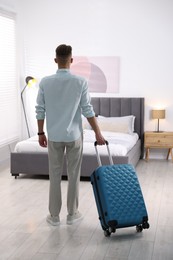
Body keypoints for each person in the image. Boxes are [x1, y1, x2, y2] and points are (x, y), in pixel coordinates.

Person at [35, 44, 105, 226]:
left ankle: (54, 216)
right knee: (74, 174)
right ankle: (72, 214)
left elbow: (40, 110)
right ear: (71, 60)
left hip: (54, 136)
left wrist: (41, 132)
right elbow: (87, 110)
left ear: (55, 60)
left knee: (54, 175)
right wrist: (98, 132)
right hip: (74, 136)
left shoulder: (44, 82)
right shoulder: (80, 82)